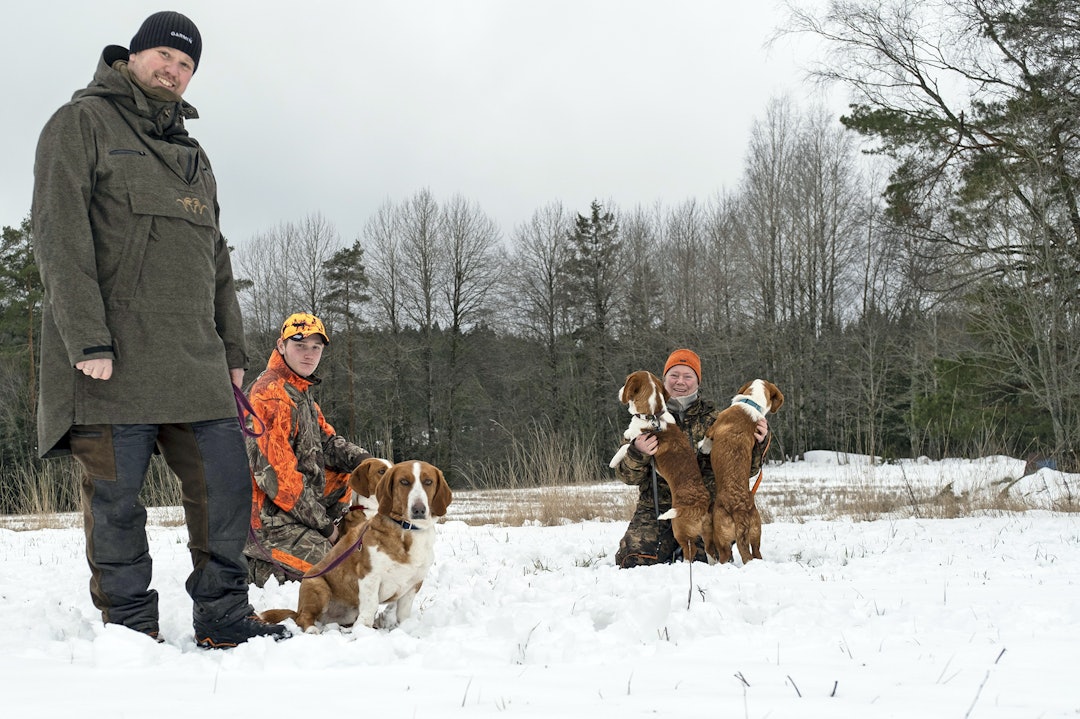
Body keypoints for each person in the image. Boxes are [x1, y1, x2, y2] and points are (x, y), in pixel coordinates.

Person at [31, 11, 289, 648]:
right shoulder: (80, 123)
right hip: (112, 360)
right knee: (117, 503)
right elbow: (59, 236)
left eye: (186, 65)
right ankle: (130, 629)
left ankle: (223, 617)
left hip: (196, 359)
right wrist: (87, 338)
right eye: (165, 57)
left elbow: (216, 259)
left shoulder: (195, 157)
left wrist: (232, 350)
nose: (173, 71)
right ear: (134, 55)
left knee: (225, 488)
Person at [244, 313, 372, 587]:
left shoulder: (299, 391)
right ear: (281, 345)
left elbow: (327, 442)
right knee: (335, 573)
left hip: (298, 512)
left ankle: (325, 537)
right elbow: (278, 478)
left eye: (316, 347)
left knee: (356, 560)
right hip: (267, 521)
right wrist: (324, 527)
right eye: (300, 345)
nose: (309, 354)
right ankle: (250, 565)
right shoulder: (270, 395)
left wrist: (368, 463)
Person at [614, 349, 769, 568]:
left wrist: (758, 444)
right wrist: (637, 452)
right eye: (674, 375)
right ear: (664, 379)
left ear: (697, 382)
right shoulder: (644, 416)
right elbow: (626, 476)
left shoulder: (716, 419)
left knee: (704, 563)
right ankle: (668, 544)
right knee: (633, 561)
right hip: (657, 509)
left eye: (688, 376)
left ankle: (691, 547)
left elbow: (745, 471)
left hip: (703, 509)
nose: (680, 381)